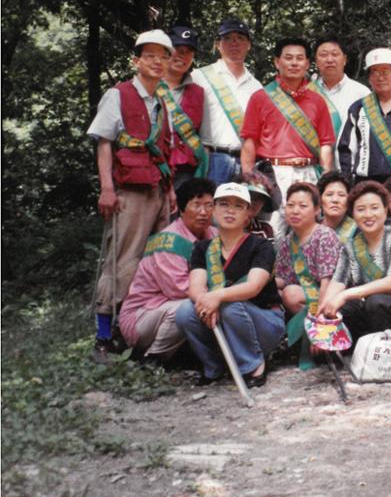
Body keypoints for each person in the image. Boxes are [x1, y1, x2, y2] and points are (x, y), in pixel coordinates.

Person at [87, 29, 176, 364]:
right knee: (122, 259)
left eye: (163, 56)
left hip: (157, 189)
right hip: (128, 191)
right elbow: (105, 142)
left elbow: (161, 151)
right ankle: (104, 336)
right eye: (149, 55)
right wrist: (107, 189)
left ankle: (139, 329)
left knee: (155, 261)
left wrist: (169, 192)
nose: (157, 62)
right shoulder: (119, 94)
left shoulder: (161, 102)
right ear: (136, 60)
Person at [176, 182, 283, 388]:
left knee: (229, 305)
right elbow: (195, 288)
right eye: (223, 204)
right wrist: (206, 301)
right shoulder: (203, 247)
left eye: (238, 206)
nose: (230, 211)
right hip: (225, 320)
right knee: (185, 312)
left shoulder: (261, 246)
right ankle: (214, 366)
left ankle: (253, 364)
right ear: (213, 210)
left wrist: (217, 297)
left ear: (247, 215)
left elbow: (253, 286)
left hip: (265, 321)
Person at [318, 181, 391, 345]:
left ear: (385, 210)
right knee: (342, 309)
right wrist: (321, 321)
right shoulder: (350, 246)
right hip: (375, 312)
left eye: (374, 208)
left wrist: (346, 294)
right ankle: (360, 346)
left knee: (376, 302)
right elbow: (337, 283)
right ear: (352, 214)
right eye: (360, 209)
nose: (368, 215)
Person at [240, 37, 336, 238]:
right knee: (273, 231)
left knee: (310, 232)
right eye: (288, 58)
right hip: (273, 174)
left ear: (308, 64)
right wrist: (248, 177)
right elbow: (249, 140)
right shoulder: (260, 97)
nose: (294, 63)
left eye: (300, 58)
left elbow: (326, 143)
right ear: (277, 62)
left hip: (309, 172)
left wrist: (326, 179)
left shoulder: (317, 101)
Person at [119, 178, 218, 365]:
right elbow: (179, 290)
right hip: (143, 316)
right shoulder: (169, 240)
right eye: (196, 205)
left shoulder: (213, 234)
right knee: (188, 308)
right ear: (181, 208)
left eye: (209, 205)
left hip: (168, 311)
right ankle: (153, 358)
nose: (204, 212)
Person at [274, 182, 344, 367]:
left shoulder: (324, 236)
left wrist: (320, 325)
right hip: (303, 294)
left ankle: (321, 338)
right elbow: (282, 277)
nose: (295, 211)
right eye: (291, 205)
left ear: (316, 210)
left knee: (290, 293)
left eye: (303, 206)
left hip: (330, 295)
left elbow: (327, 282)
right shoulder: (288, 241)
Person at [191, 19, 263, 184]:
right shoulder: (200, 77)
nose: (234, 43)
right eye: (228, 38)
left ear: (249, 45)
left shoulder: (256, 86)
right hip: (212, 160)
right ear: (218, 44)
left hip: (245, 163)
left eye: (240, 38)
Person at [338, 48, 391, 184]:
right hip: (366, 184)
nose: (380, 77)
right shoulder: (358, 108)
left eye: (385, 71)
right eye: (375, 72)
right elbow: (346, 149)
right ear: (369, 78)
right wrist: (347, 182)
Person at [160, 25, 208, 192]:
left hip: (184, 172)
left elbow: (204, 137)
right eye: (177, 49)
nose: (182, 55)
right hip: (149, 167)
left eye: (188, 51)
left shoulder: (198, 92)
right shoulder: (147, 85)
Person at [310, 34, 370, 165]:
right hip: (313, 169)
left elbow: (368, 138)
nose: (329, 59)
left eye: (335, 54)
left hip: (350, 169)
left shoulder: (361, 93)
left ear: (345, 59)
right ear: (316, 61)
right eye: (323, 55)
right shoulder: (306, 93)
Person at [317, 171, 357, 242]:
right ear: (320, 199)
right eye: (329, 194)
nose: (335, 200)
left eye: (341, 195)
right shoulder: (311, 229)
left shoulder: (358, 231)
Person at [241, 169, 279, 240]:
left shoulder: (266, 230)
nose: (254, 201)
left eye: (260, 197)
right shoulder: (223, 224)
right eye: (250, 195)